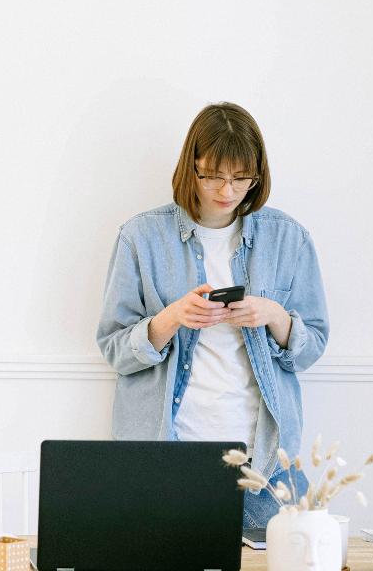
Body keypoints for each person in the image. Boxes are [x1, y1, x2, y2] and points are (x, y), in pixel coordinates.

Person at [96, 102, 327, 527]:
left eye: (241, 178)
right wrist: (172, 318)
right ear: (191, 167)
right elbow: (114, 348)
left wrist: (274, 315)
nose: (227, 191)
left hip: (265, 461)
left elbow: (312, 346)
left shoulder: (288, 238)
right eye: (213, 176)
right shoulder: (140, 237)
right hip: (166, 454)